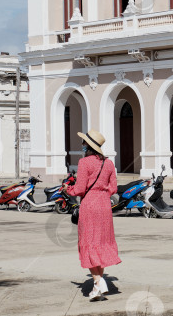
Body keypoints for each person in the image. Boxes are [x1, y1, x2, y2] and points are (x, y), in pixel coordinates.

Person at [64, 129, 120, 301]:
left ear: (88, 146)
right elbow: (113, 188)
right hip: (104, 206)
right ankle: (98, 286)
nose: (82, 145)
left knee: (88, 242)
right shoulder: (109, 164)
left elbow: (80, 189)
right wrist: (102, 192)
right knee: (101, 243)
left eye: (83, 143)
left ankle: (98, 281)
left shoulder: (84, 163)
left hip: (89, 205)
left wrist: (68, 189)